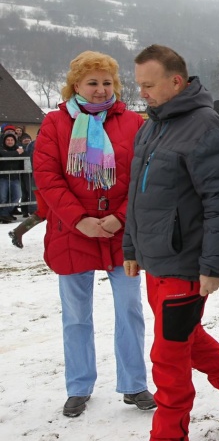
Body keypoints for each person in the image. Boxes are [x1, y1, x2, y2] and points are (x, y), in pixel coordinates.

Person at [123, 44, 219, 441]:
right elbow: (137, 195)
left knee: (167, 362)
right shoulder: (152, 125)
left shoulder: (205, 126)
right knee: (187, 340)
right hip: (156, 260)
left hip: (185, 264)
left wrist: (213, 266)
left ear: (176, 81)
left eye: (149, 85)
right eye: (139, 85)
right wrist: (131, 248)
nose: (143, 93)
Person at [33, 50, 154, 418]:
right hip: (71, 232)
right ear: (76, 85)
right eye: (93, 83)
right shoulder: (54, 123)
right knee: (76, 315)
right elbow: (47, 177)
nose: (101, 90)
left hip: (121, 232)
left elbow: (142, 174)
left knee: (130, 310)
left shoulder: (133, 122)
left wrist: (120, 217)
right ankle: (79, 386)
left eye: (107, 82)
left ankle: (134, 384)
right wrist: (78, 220)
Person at [9, 133, 46, 247]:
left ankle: (18, 232)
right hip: (44, 182)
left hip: (40, 181)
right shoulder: (42, 143)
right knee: (44, 212)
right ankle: (18, 231)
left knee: (45, 212)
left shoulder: (33, 144)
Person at [0, 130, 23, 223]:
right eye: (8, 140)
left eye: (12, 140)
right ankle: (4, 214)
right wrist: (17, 153)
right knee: (3, 197)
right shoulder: (1, 149)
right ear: (4, 141)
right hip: (3, 178)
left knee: (17, 196)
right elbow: (5, 154)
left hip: (15, 178)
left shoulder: (19, 148)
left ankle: (5, 213)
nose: (10, 141)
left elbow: (25, 155)